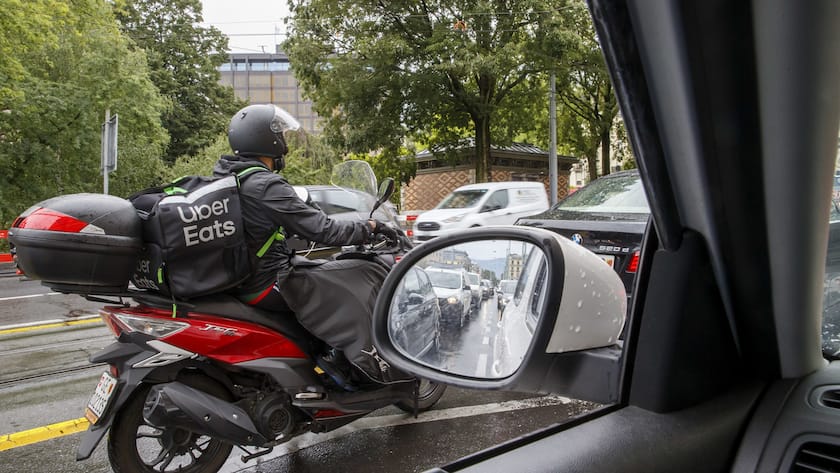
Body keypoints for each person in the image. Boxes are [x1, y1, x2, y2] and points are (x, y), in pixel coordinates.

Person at [213, 103, 404, 385]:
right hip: (268, 281)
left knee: (324, 272)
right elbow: (324, 230)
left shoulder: (228, 178)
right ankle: (354, 364)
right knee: (362, 278)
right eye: (281, 135)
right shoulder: (264, 184)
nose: (285, 142)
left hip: (239, 279)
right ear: (269, 139)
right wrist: (371, 227)